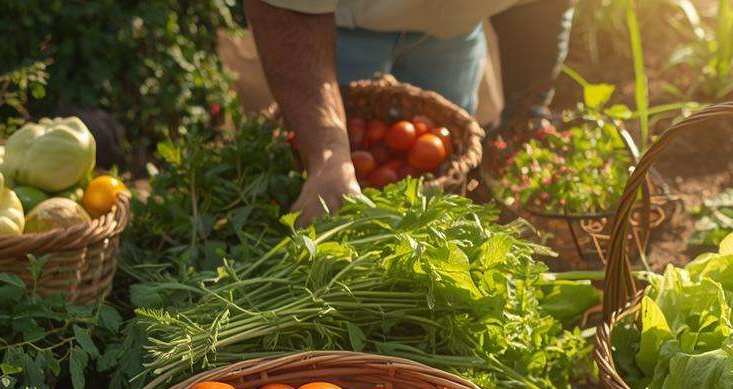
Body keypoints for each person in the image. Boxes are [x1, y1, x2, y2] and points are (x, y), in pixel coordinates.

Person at [245, 0, 575, 222]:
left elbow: (543, 9)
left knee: (442, 194)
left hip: (456, 30)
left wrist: (527, 108)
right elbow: (284, 8)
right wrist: (327, 154)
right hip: (336, 28)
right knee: (330, 195)